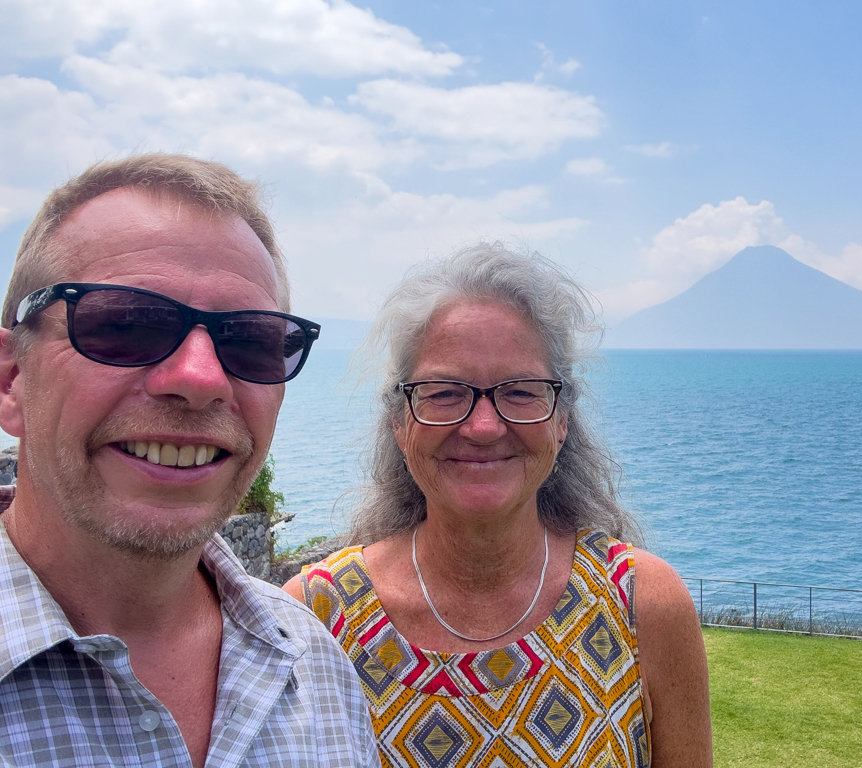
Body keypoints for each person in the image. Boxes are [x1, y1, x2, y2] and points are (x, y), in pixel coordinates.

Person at [0, 154, 380, 767]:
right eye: (124, 324)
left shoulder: (318, 672)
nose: (200, 378)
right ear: (11, 380)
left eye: (250, 341)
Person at [285, 244, 712, 767]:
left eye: (520, 391)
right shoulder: (318, 618)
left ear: (561, 419)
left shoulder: (642, 604)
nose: (484, 427)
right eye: (443, 392)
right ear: (399, 423)